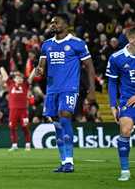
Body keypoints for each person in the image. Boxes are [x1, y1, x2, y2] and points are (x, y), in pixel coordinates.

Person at [35, 14, 96, 173]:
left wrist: (92, 91)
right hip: (52, 90)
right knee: (56, 124)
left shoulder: (77, 44)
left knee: (65, 116)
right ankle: (63, 161)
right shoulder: (46, 45)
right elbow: (41, 66)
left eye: (57, 22)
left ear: (67, 25)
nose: (53, 24)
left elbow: (89, 68)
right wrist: (39, 70)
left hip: (69, 88)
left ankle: (70, 161)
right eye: (52, 22)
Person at [106, 26, 135, 181]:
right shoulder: (116, 58)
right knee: (125, 128)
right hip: (128, 102)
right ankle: (125, 171)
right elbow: (112, 83)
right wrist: (112, 105)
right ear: (131, 39)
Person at [0, 67, 34, 151]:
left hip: (23, 110)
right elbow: (4, 75)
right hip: (13, 110)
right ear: (14, 79)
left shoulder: (25, 85)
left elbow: (31, 77)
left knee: (25, 127)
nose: (19, 79)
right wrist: (1, 67)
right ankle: (14, 145)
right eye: (18, 78)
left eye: (21, 78)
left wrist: (34, 69)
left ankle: (28, 144)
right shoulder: (10, 84)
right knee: (12, 127)